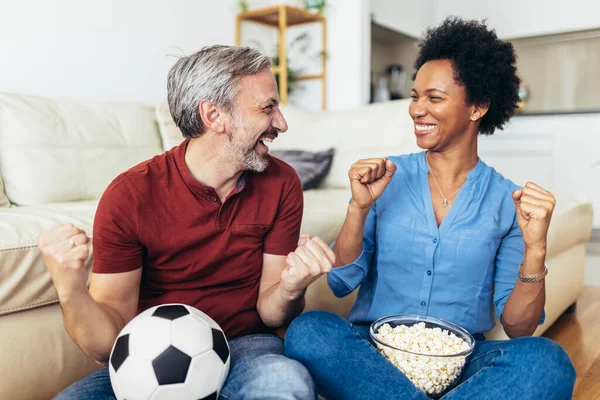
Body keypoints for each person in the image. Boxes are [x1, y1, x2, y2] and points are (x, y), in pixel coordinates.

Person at [284, 17, 576, 400]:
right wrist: (358, 207)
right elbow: (341, 282)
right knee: (309, 331)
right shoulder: (384, 176)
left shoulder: (508, 201)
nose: (416, 110)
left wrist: (536, 248)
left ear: (478, 107)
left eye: (433, 98)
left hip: (460, 361)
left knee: (547, 361)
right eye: (415, 95)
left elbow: (519, 327)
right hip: (374, 354)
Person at [39, 45, 335, 400]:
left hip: (246, 346)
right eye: (267, 107)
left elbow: (271, 313)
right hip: (150, 358)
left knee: (285, 384)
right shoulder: (129, 195)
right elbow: (106, 344)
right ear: (214, 115)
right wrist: (70, 290)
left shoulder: (282, 183)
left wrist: (291, 287)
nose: (281, 124)